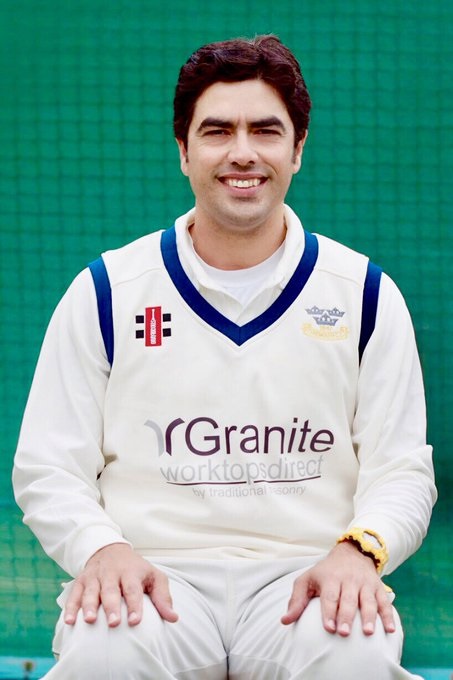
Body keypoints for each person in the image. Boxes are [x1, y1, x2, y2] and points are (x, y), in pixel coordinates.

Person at [13, 35, 436, 679]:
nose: (243, 152)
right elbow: (48, 466)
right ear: (183, 151)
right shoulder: (107, 291)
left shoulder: (364, 294)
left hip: (308, 576)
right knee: (104, 648)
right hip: (151, 575)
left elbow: (402, 470)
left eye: (266, 131)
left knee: (353, 648)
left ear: (297, 149)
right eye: (217, 131)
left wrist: (359, 552)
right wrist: (100, 549)